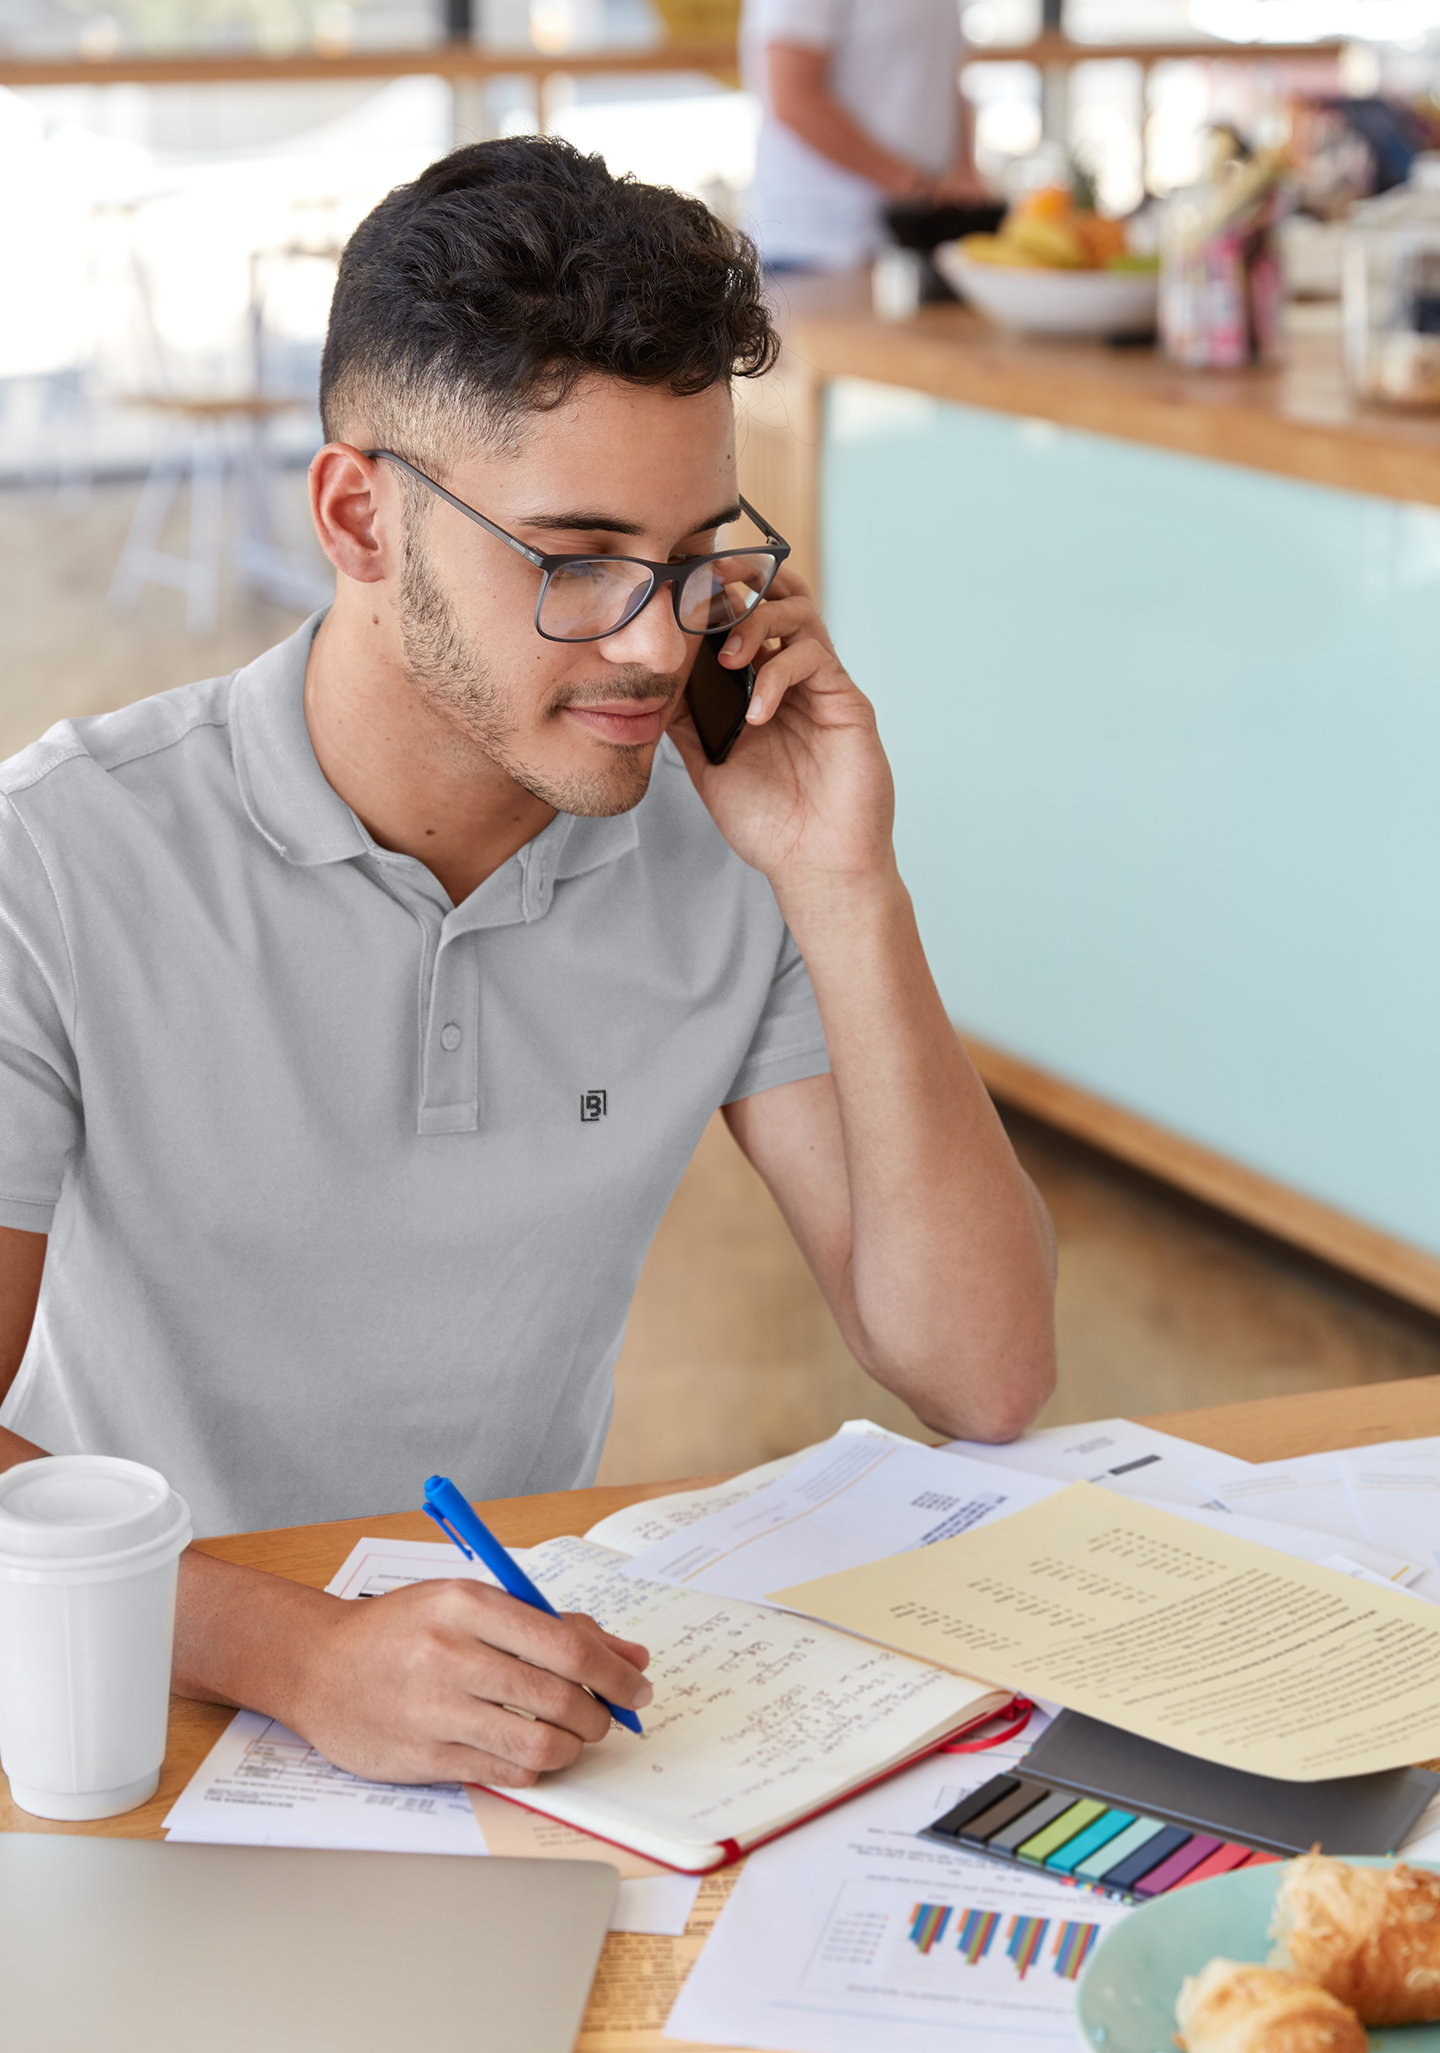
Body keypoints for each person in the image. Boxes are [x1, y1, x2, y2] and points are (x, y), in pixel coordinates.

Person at [0, 138, 1054, 1794]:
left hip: (510, 1703)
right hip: (128, 1701)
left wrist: (846, 880)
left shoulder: (722, 847)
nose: (653, 641)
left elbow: (979, 1371)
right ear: (362, 517)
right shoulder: (53, 862)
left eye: (697, 552)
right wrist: (292, 1653)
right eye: (574, 557)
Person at [741, 0, 986, 273]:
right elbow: (792, 99)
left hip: (918, 240)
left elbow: (942, 77)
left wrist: (965, 170)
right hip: (817, 248)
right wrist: (916, 187)